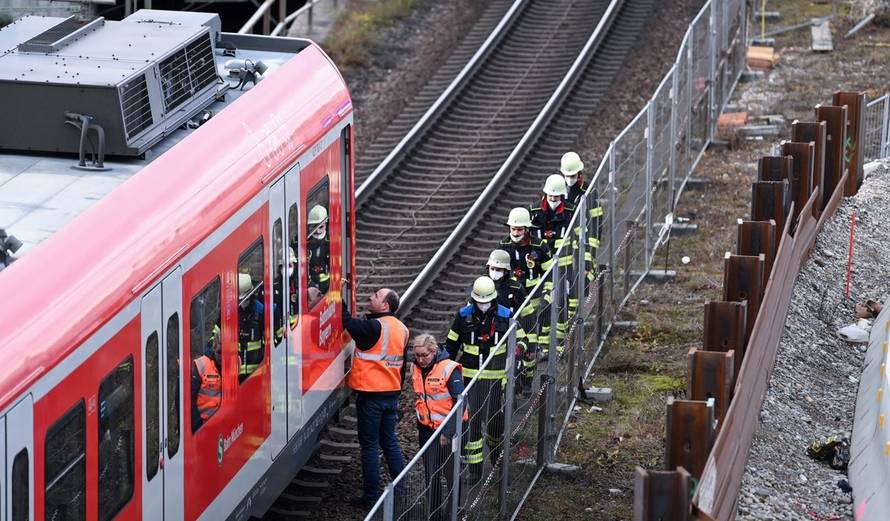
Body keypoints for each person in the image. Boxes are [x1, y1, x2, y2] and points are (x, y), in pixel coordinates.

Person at [444, 277, 526, 481]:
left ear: (493, 298)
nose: (483, 305)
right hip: (470, 381)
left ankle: (496, 454)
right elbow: (451, 345)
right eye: (479, 301)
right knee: (472, 424)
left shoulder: (505, 316)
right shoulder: (463, 316)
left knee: (495, 423)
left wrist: (519, 349)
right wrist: (444, 369)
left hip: (496, 381)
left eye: (486, 301)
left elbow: (522, 338)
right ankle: (475, 471)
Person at [343, 287, 408, 507]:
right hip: (391, 395)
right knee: (389, 442)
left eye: (376, 296)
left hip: (371, 396)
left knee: (370, 446)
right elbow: (402, 365)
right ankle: (401, 490)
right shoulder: (402, 329)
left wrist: (336, 297)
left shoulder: (374, 327)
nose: (371, 297)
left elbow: (347, 322)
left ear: (385, 305)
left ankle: (370, 497)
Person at [411, 334, 467, 521]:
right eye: (417, 355)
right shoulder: (415, 367)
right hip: (427, 429)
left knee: (450, 472)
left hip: (449, 429)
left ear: (434, 351)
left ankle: (454, 509)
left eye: (424, 355)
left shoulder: (449, 369)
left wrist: (447, 432)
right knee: (431, 472)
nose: (420, 359)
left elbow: (460, 402)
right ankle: (434, 514)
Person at [191, 324, 222, 432]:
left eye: (225, 352)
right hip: (203, 425)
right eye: (219, 352)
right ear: (214, 346)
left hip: (222, 424)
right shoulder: (201, 365)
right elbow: (189, 399)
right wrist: (197, 425)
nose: (222, 356)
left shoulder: (234, 362)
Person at [237, 273, 264, 381]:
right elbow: (216, 333)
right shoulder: (230, 312)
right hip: (235, 375)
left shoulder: (261, 311)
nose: (242, 303)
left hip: (256, 373)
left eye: (244, 300)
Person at [307, 204, 330, 294]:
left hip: (327, 285)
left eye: (321, 227)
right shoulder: (301, 241)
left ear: (326, 225)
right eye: (313, 227)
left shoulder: (332, 241)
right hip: (308, 285)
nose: (317, 231)